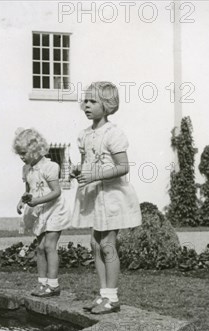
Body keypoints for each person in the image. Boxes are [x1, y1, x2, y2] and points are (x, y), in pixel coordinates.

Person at [71, 81, 142, 314]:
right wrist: (78, 171)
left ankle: (112, 297)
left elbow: (123, 167)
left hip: (112, 196)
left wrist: (95, 175)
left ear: (107, 105)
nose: (87, 105)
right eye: (86, 101)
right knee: (94, 244)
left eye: (93, 102)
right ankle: (103, 295)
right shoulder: (84, 135)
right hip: (95, 196)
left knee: (107, 244)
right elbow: (86, 165)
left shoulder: (113, 134)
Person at [14, 128, 71, 297]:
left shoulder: (51, 166)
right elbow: (28, 190)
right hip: (39, 211)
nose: (22, 157)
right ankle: (42, 283)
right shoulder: (27, 169)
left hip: (54, 209)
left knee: (49, 245)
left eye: (24, 153)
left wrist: (37, 201)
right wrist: (21, 201)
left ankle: (53, 285)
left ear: (35, 150)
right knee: (39, 247)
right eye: (19, 154)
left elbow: (56, 192)